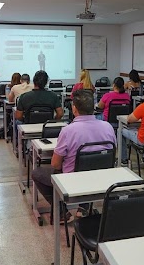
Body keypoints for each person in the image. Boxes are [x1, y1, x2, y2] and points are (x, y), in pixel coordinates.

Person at [31, 90, 116, 218]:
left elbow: (55, 164)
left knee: (37, 173)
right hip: (101, 178)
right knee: (90, 167)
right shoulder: (108, 127)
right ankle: (84, 207)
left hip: (73, 181)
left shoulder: (68, 131)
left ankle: (61, 212)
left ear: (74, 109)